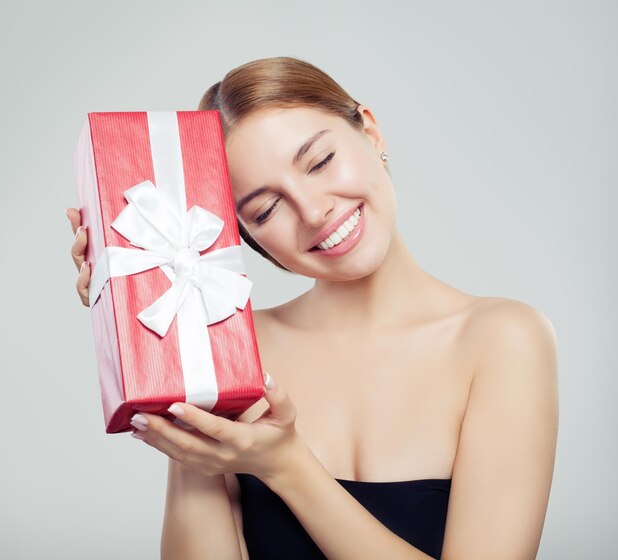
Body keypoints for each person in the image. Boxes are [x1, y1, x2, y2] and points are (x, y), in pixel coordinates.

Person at [66, 56, 559, 560]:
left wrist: (287, 465)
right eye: (265, 208)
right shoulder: (237, 347)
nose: (313, 209)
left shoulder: (503, 340)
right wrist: (172, 360)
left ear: (370, 131)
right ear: (248, 236)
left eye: (320, 161)